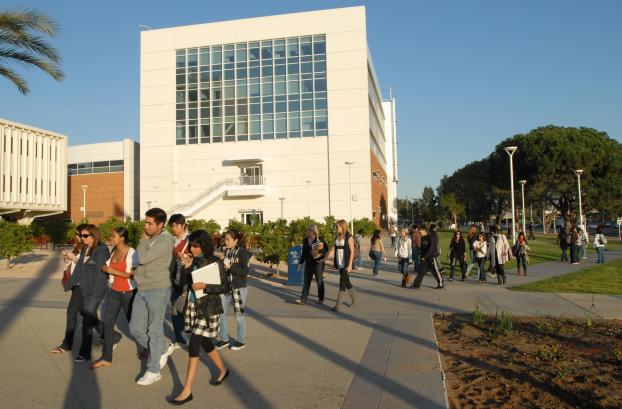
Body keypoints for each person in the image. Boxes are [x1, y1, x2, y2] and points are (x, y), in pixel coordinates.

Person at [170, 230, 230, 405]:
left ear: (203, 245)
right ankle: (223, 370)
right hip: (193, 306)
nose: (192, 249)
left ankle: (187, 390)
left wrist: (206, 285)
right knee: (204, 342)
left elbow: (225, 287)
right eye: (191, 246)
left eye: (195, 246)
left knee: (194, 345)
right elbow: (182, 284)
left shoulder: (215, 262)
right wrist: (186, 267)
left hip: (208, 309)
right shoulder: (193, 261)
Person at [130, 208, 175, 386]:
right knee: (135, 329)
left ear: (160, 224)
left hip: (158, 289)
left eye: (150, 224)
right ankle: (163, 348)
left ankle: (153, 370)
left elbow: (141, 258)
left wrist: (142, 241)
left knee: (154, 329)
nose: (146, 227)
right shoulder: (150, 238)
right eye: (145, 223)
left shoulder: (165, 240)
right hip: (142, 288)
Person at [91, 227, 138, 368]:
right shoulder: (114, 251)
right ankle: (106, 358)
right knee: (107, 324)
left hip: (128, 293)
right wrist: (106, 269)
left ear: (122, 238)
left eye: (114, 236)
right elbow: (110, 269)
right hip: (114, 291)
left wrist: (113, 271)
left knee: (135, 326)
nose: (111, 238)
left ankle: (150, 349)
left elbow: (134, 275)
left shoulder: (133, 253)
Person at [64, 224, 111, 363]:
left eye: (85, 236)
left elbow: (100, 275)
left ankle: (85, 353)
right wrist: (69, 285)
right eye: (81, 235)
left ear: (93, 236)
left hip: (95, 291)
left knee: (87, 322)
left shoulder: (101, 250)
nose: (82, 238)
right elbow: (79, 269)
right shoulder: (86, 248)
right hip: (83, 289)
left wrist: (96, 294)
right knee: (87, 317)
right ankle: (112, 337)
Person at [51, 225, 91, 354]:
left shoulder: (92, 248)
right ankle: (110, 336)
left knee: (71, 313)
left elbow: (89, 266)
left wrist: (74, 258)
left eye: (79, 235)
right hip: (75, 284)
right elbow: (70, 265)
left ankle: (67, 344)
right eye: (77, 235)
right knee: (86, 314)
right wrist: (66, 257)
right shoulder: (78, 247)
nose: (77, 237)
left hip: (83, 285)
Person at [216, 229, 251, 350]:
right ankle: (224, 338)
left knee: (239, 315)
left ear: (235, 240)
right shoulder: (226, 251)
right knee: (221, 312)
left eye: (228, 240)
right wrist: (221, 262)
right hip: (226, 287)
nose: (226, 242)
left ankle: (241, 340)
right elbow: (223, 270)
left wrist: (230, 267)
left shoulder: (242, 253)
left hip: (238, 287)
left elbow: (245, 271)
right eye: (224, 239)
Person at [169, 214, 190, 348]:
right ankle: (180, 338)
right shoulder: (171, 240)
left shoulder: (191, 239)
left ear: (183, 225)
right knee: (175, 309)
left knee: (187, 309)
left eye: (176, 225)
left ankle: (199, 336)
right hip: (175, 278)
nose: (173, 228)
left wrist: (187, 256)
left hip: (188, 278)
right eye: (172, 226)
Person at [327, 220, 357, 311]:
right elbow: (333, 249)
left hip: (346, 263)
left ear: (342, 227)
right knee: (347, 282)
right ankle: (354, 299)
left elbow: (352, 251)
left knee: (342, 283)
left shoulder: (349, 237)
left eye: (337, 227)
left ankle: (337, 306)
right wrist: (326, 257)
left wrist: (350, 264)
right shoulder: (337, 237)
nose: (336, 229)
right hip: (339, 262)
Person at [295, 225, 327, 305]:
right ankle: (303, 299)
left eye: (309, 230)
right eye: (307, 230)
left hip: (318, 263)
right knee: (306, 282)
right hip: (308, 263)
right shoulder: (305, 240)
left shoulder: (319, 239)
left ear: (313, 231)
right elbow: (304, 252)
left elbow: (326, 249)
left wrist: (318, 252)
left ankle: (320, 298)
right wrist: (301, 262)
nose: (307, 231)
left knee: (319, 281)